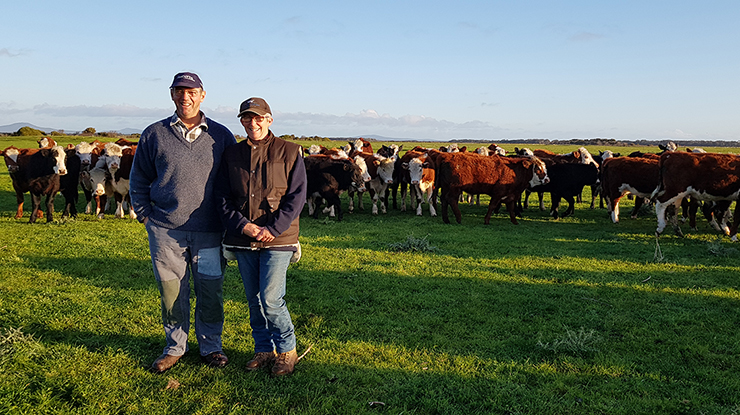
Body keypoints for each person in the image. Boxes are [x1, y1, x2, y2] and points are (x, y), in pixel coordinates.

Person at [129, 72, 237, 374]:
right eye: (179, 91)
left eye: (191, 92)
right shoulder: (154, 134)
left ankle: (211, 346)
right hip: (165, 231)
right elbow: (139, 178)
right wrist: (145, 214)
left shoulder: (221, 135)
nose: (185, 97)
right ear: (171, 94)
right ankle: (175, 347)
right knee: (172, 291)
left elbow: (232, 182)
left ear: (202, 95)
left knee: (211, 291)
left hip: (210, 231)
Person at [214, 97, 307, 376]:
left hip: (278, 238)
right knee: (253, 298)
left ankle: (287, 350)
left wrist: (272, 228)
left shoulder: (289, 151)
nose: (252, 123)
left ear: (269, 119)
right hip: (244, 238)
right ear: (241, 121)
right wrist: (243, 226)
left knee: (270, 297)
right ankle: (264, 350)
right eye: (246, 118)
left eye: (258, 118)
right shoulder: (232, 154)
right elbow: (222, 197)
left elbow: (297, 197)